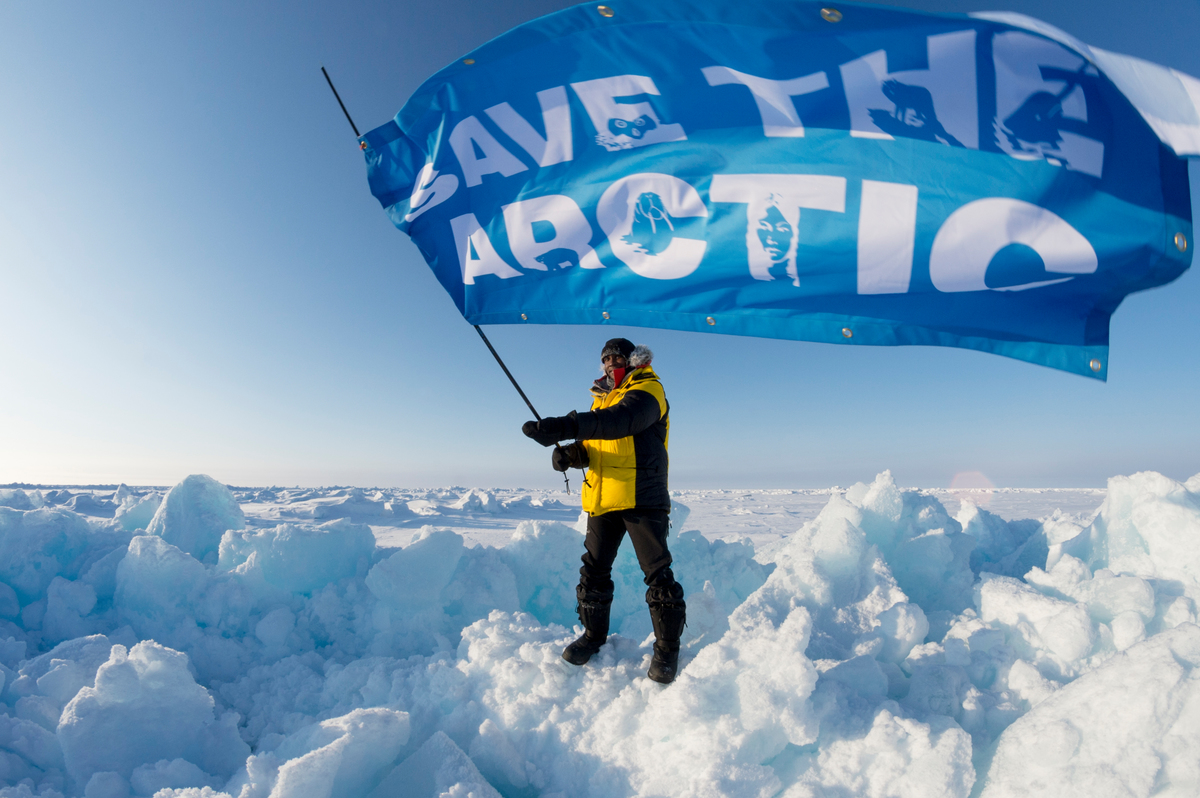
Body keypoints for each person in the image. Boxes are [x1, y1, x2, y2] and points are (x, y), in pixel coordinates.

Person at [522, 337, 686, 684]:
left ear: (632, 359)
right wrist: (570, 454)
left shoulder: (649, 390)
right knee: (593, 572)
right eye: (605, 360)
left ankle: (668, 649)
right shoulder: (602, 399)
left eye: (616, 357)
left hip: (643, 497)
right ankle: (593, 637)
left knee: (658, 576)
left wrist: (566, 424)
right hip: (604, 499)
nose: (610, 364)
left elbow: (621, 422)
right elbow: (596, 445)